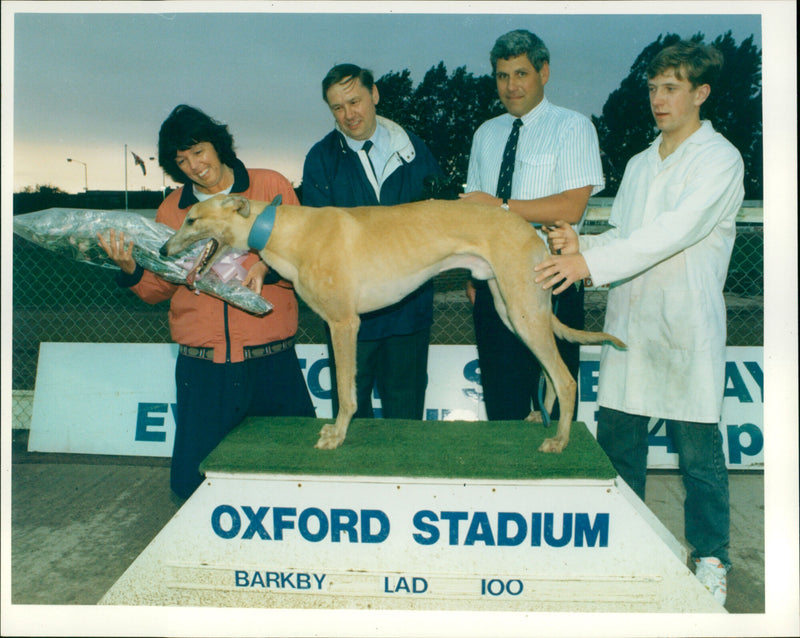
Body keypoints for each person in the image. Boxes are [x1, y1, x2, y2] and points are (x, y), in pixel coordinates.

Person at [534, 41, 744, 606]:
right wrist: (586, 245)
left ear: (700, 93)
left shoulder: (720, 159)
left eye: (671, 87)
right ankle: (628, 547)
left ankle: (711, 559)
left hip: (686, 328)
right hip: (631, 323)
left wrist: (588, 262)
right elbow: (627, 237)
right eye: (653, 87)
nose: (658, 98)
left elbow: (674, 231)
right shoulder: (638, 162)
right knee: (620, 449)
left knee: (700, 458)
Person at [98, 105, 315, 499]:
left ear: (217, 145)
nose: (194, 166)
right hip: (203, 366)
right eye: (181, 161)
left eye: (198, 151)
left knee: (296, 477)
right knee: (192, 487)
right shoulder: (171, 209)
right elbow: (157, 289)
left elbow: (305, 259)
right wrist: (130, 269)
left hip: (271, 360)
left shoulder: (270, 187)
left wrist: (267, 266)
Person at [459, 29, 604, 421]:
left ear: (544, 72)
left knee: (553, 402)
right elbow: (475, 213)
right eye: (502, 76)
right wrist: (472, 277)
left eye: (521, 74)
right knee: (503, 405)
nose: (511, 86)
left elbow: (572, 207)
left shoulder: (573, 127)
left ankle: (558, 479)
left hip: (550, 275)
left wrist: (501, 207)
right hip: (493, 280)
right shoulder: (485, 134)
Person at [302, 64, 443, 421]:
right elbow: (319, 242)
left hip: (409, 312)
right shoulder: (319, 160)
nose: (349, 114)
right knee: (352, 421)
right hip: (350, 315)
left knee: (406, 420)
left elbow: (437, 221)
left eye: (355, 101)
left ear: (374, 95)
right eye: (337, 107)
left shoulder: (415, 148)